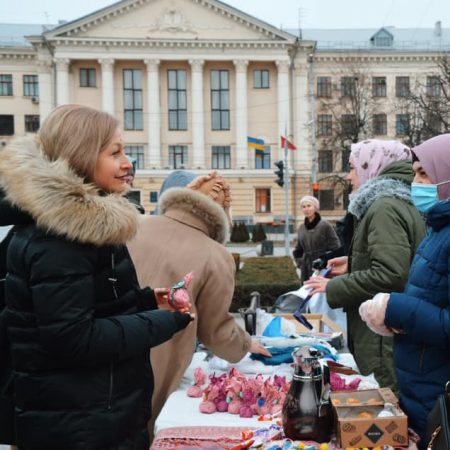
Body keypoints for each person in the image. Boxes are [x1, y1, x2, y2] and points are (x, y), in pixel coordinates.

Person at [0, 104, 194, 450]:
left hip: (93, 416)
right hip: (77, 426)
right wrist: (162, 322)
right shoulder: (59, 238)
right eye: (114, 152)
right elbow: (73, 338)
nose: (127, 163)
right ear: (81, 156)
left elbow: (95, 306)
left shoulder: (87, 227)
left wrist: (147, 300)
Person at [127, 169, 271, 439]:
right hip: (159, 359)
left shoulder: (135, 225)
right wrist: (244, 344)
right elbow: (215, 332)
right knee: (142, 430)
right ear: (222, 215)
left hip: (107, 351)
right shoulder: (216, 255)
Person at [305, 139, 426, 391]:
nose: (349, 176)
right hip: (388, 328)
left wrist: (334, 286)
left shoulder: (383, 207)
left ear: (374, 166)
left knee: (386, 409)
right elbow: (403, 257)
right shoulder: (396, 200)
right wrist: (353, 265)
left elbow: (392, 274)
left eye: (353, 167)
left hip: (380, 337)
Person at [359, 134, 450, 449]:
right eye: (414, 172)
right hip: (423, 390)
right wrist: (393, 319)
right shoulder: (438, 228)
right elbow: (432, 297)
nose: (415, 182)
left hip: (439, 394)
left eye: (424, 173)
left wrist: (397, 309)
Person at [292, 195, 341, 283]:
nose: (306, 209)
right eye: (304, 207)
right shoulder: (301, 228)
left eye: (309, 206)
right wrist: (301, 263)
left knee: (320, 294)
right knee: (307, 293)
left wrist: (325, 263)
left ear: (315, 207)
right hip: (306, 269)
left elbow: (336, 248)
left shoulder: (325, 225)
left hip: (322, 268)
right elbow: (298, 250)